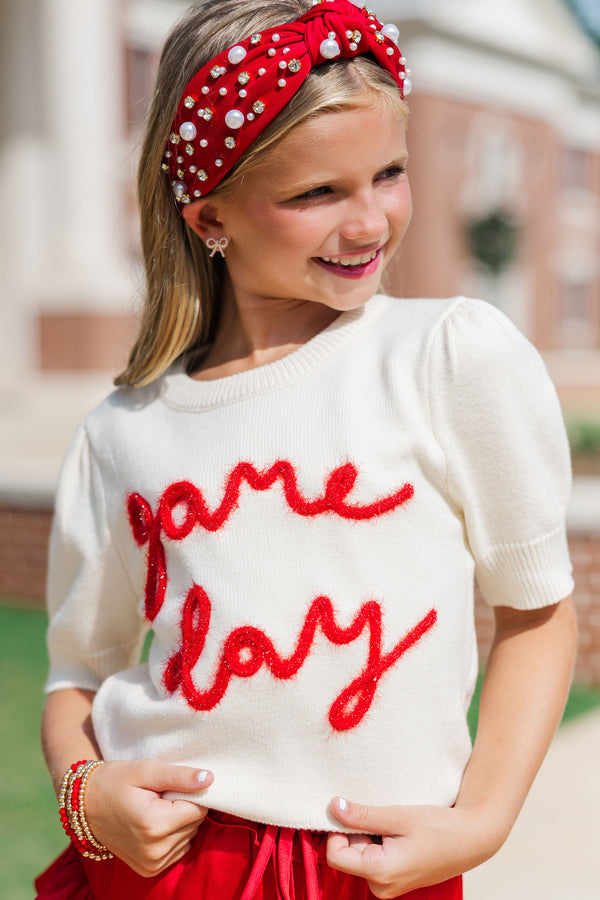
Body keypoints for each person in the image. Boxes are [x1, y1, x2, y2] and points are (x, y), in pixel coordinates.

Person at [35, 1, 578, 898]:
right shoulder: (124, 430)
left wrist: (479, 821)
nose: (367, 222)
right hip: (164, 869)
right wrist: (85, 794)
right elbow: (79, 669)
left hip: (366, 870)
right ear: (211, 216)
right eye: (315, 193)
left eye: (389, 173)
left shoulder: (449, 355)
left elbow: (536, 612)